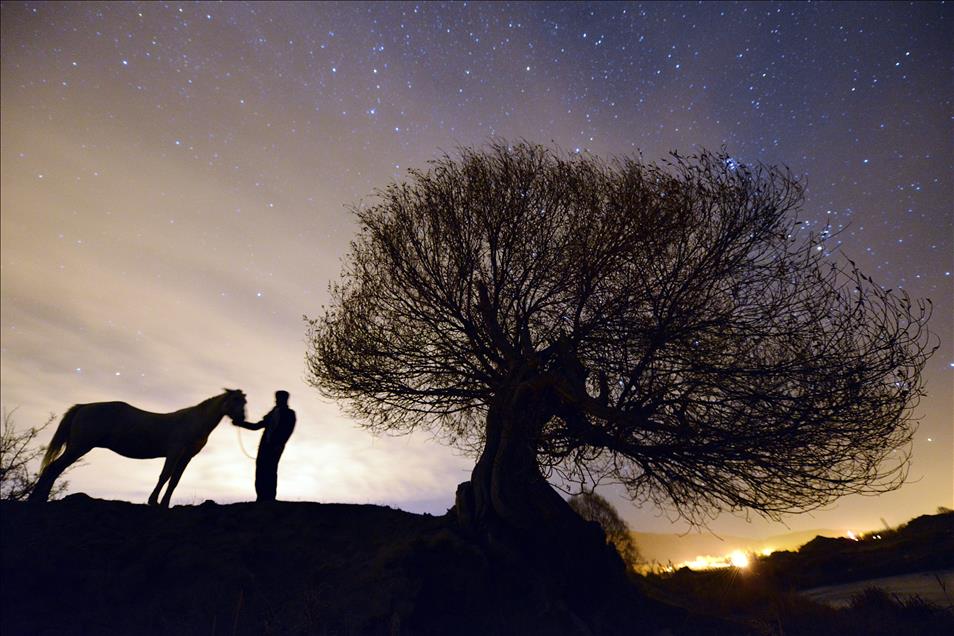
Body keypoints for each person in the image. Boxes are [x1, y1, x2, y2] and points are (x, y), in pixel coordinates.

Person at [233, 390, 296, 502]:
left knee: (270, 470)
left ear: (284, 399)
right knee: (260, 470)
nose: (276, 400)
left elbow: (287, 431)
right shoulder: (272, 413)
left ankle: (269, 498)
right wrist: (240, 423)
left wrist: (279, 444)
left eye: (279, 398)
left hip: (275, 447)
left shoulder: (290, 414)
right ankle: (261, 498)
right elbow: (256, 426)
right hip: (264, 447)